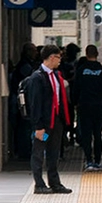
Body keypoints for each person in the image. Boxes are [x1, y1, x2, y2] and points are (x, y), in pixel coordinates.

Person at [25, 45, 73, 194]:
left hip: (56, 122)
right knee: (38, 152)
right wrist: (38, 126)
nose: (60, 60)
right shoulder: (37, 78)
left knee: (54, 152)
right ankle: (39, 184)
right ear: (52, 57)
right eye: (59, 57)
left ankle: (54, 182)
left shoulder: (57, 76)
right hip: (43, 125)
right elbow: (35, 104)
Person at [73, 44, 102, 170]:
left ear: (86, 55)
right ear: (97, 54)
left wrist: (75, 103)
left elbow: (76, 89)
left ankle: (89, 161)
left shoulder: (81, 71)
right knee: (98, 134)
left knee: (86, 135)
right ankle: (97, 161)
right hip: (98, 107)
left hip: (84, 106)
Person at [9, 42, 39, 160]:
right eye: (34, 51)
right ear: (29, 52)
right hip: (23, 102)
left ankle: (24, 150)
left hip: (22, 100)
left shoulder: (24, 64)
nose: (36, 53)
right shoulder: (26, 67)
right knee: (24, 127)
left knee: (24, 127)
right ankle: (24, 151)